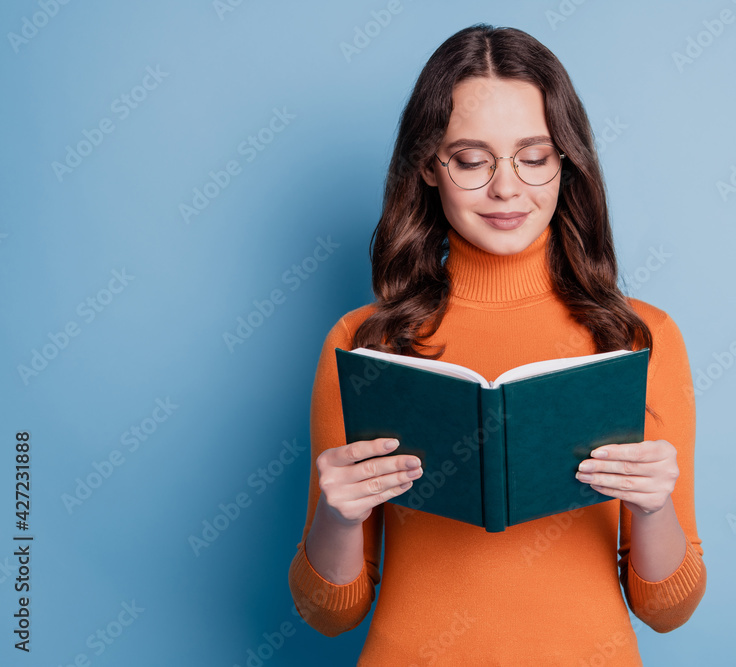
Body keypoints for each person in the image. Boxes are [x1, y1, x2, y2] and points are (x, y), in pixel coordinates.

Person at [287, 23, 706, 665]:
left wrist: (652, 510)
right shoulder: (362, 342)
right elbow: (328, 615)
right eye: (472, 159)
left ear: (567, 160)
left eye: (534, 157)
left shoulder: (638, 339)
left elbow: (667, 609)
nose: (507, 189)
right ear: (430, 164)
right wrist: (337, 518)